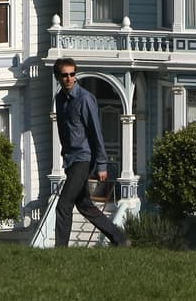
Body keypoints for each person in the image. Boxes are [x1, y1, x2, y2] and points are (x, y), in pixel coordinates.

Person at [53, 56, 129, 247]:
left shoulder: (85, 99)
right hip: (71, 160)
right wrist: (64, 157)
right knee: (85, 205)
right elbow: (64, 132)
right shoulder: (60, 99)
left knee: (63, 205)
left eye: (72, 74)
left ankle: (59, 251)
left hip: (84, 158)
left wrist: (102, 164)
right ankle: (120, 240)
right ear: (58, 77)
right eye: (65, 75)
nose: (69, 78)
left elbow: (96, 132)